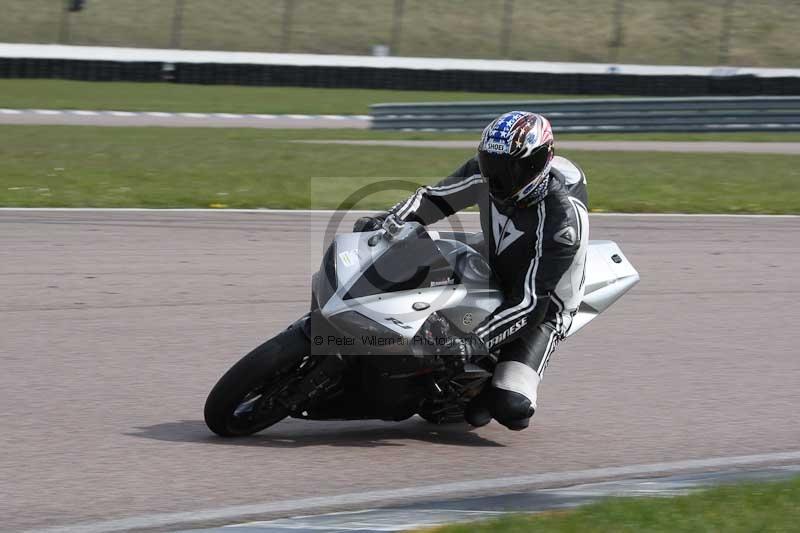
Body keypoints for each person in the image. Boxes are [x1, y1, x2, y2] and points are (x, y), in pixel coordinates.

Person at [353, 111, 589, 431]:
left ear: (539, 164)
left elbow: (530, 304)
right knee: (413, 268)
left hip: (544, 304)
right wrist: (389, 220)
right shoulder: (485, 173)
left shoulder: (562, 224)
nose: (497, 178)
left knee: (511, 408)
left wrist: (472, 342)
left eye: (511, 168)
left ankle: (480, 387)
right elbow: (434, 200)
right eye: (491, 164)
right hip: (492, 258)